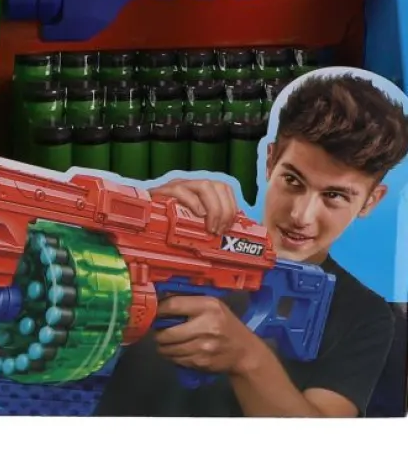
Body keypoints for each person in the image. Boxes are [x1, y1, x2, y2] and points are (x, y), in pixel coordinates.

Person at [97, 70, 407, 417]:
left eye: (334, 196)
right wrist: (135, 217)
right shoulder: (194, 229)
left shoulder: (363, 314)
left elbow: (321, 443)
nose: (301, 215)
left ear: (370, 201)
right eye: (292, 180)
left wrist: (247, 358)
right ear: (270, 161)